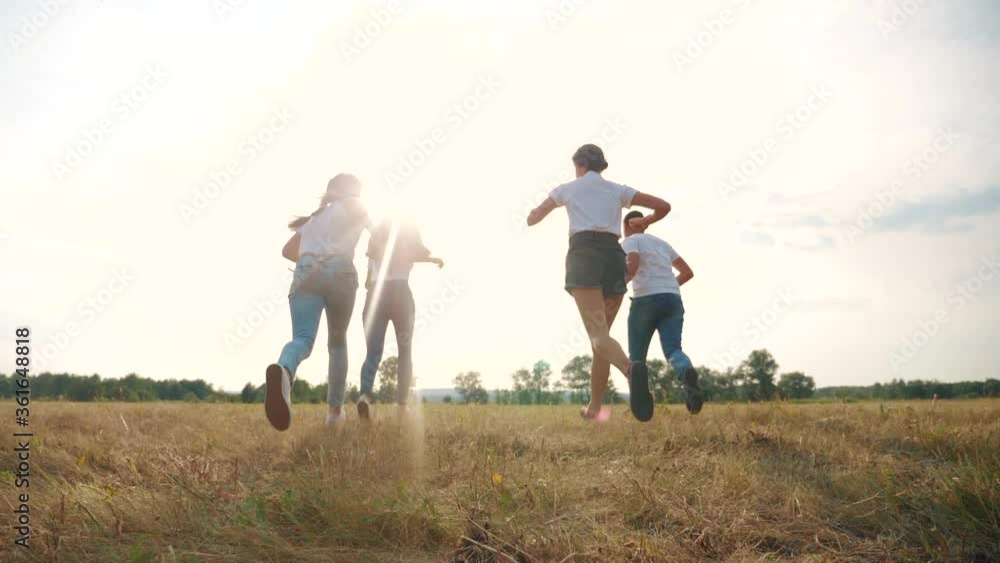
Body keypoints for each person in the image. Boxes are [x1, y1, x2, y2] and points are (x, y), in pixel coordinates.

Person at [526, 144, 672, 422]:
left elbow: (534, 217)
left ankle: (631, 370)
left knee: (598, 337)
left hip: (584, 258)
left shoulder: (567, 189)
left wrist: (533, 214)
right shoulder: (618, 190)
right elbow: (663, 206)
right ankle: (594, 408)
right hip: (614, 258)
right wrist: (646, 220)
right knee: (602, 340)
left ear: (579, 165)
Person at [265, 174, 372, 431]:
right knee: (337, 342)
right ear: (352, 190)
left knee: (302, 339)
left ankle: (284, 370)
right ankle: (334, 414)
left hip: (306, 270)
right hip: (340, 272)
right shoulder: (355, 205)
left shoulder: (315, 218)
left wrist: (312, 260)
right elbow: (380, 233)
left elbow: (287, 251)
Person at [356, 220, 443, 420]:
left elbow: (367, 282)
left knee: (372, 352)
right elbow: (411, 254)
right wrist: (430, 259)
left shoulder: (376, 237)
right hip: (400, 293)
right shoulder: (406, 233)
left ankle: (364, 396)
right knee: (405, 351)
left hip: (375, 294)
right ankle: (402, 407)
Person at [621, 210, 703, 415]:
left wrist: (617, 287)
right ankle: (686, 372)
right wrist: (667, 286)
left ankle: (641, 404)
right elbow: (687, 272)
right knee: (673, 350)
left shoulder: (630, 241)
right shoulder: (662, 244)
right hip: (672, 299)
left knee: (637, 357)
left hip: (645, 301)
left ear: (627, 225)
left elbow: (632, 265)